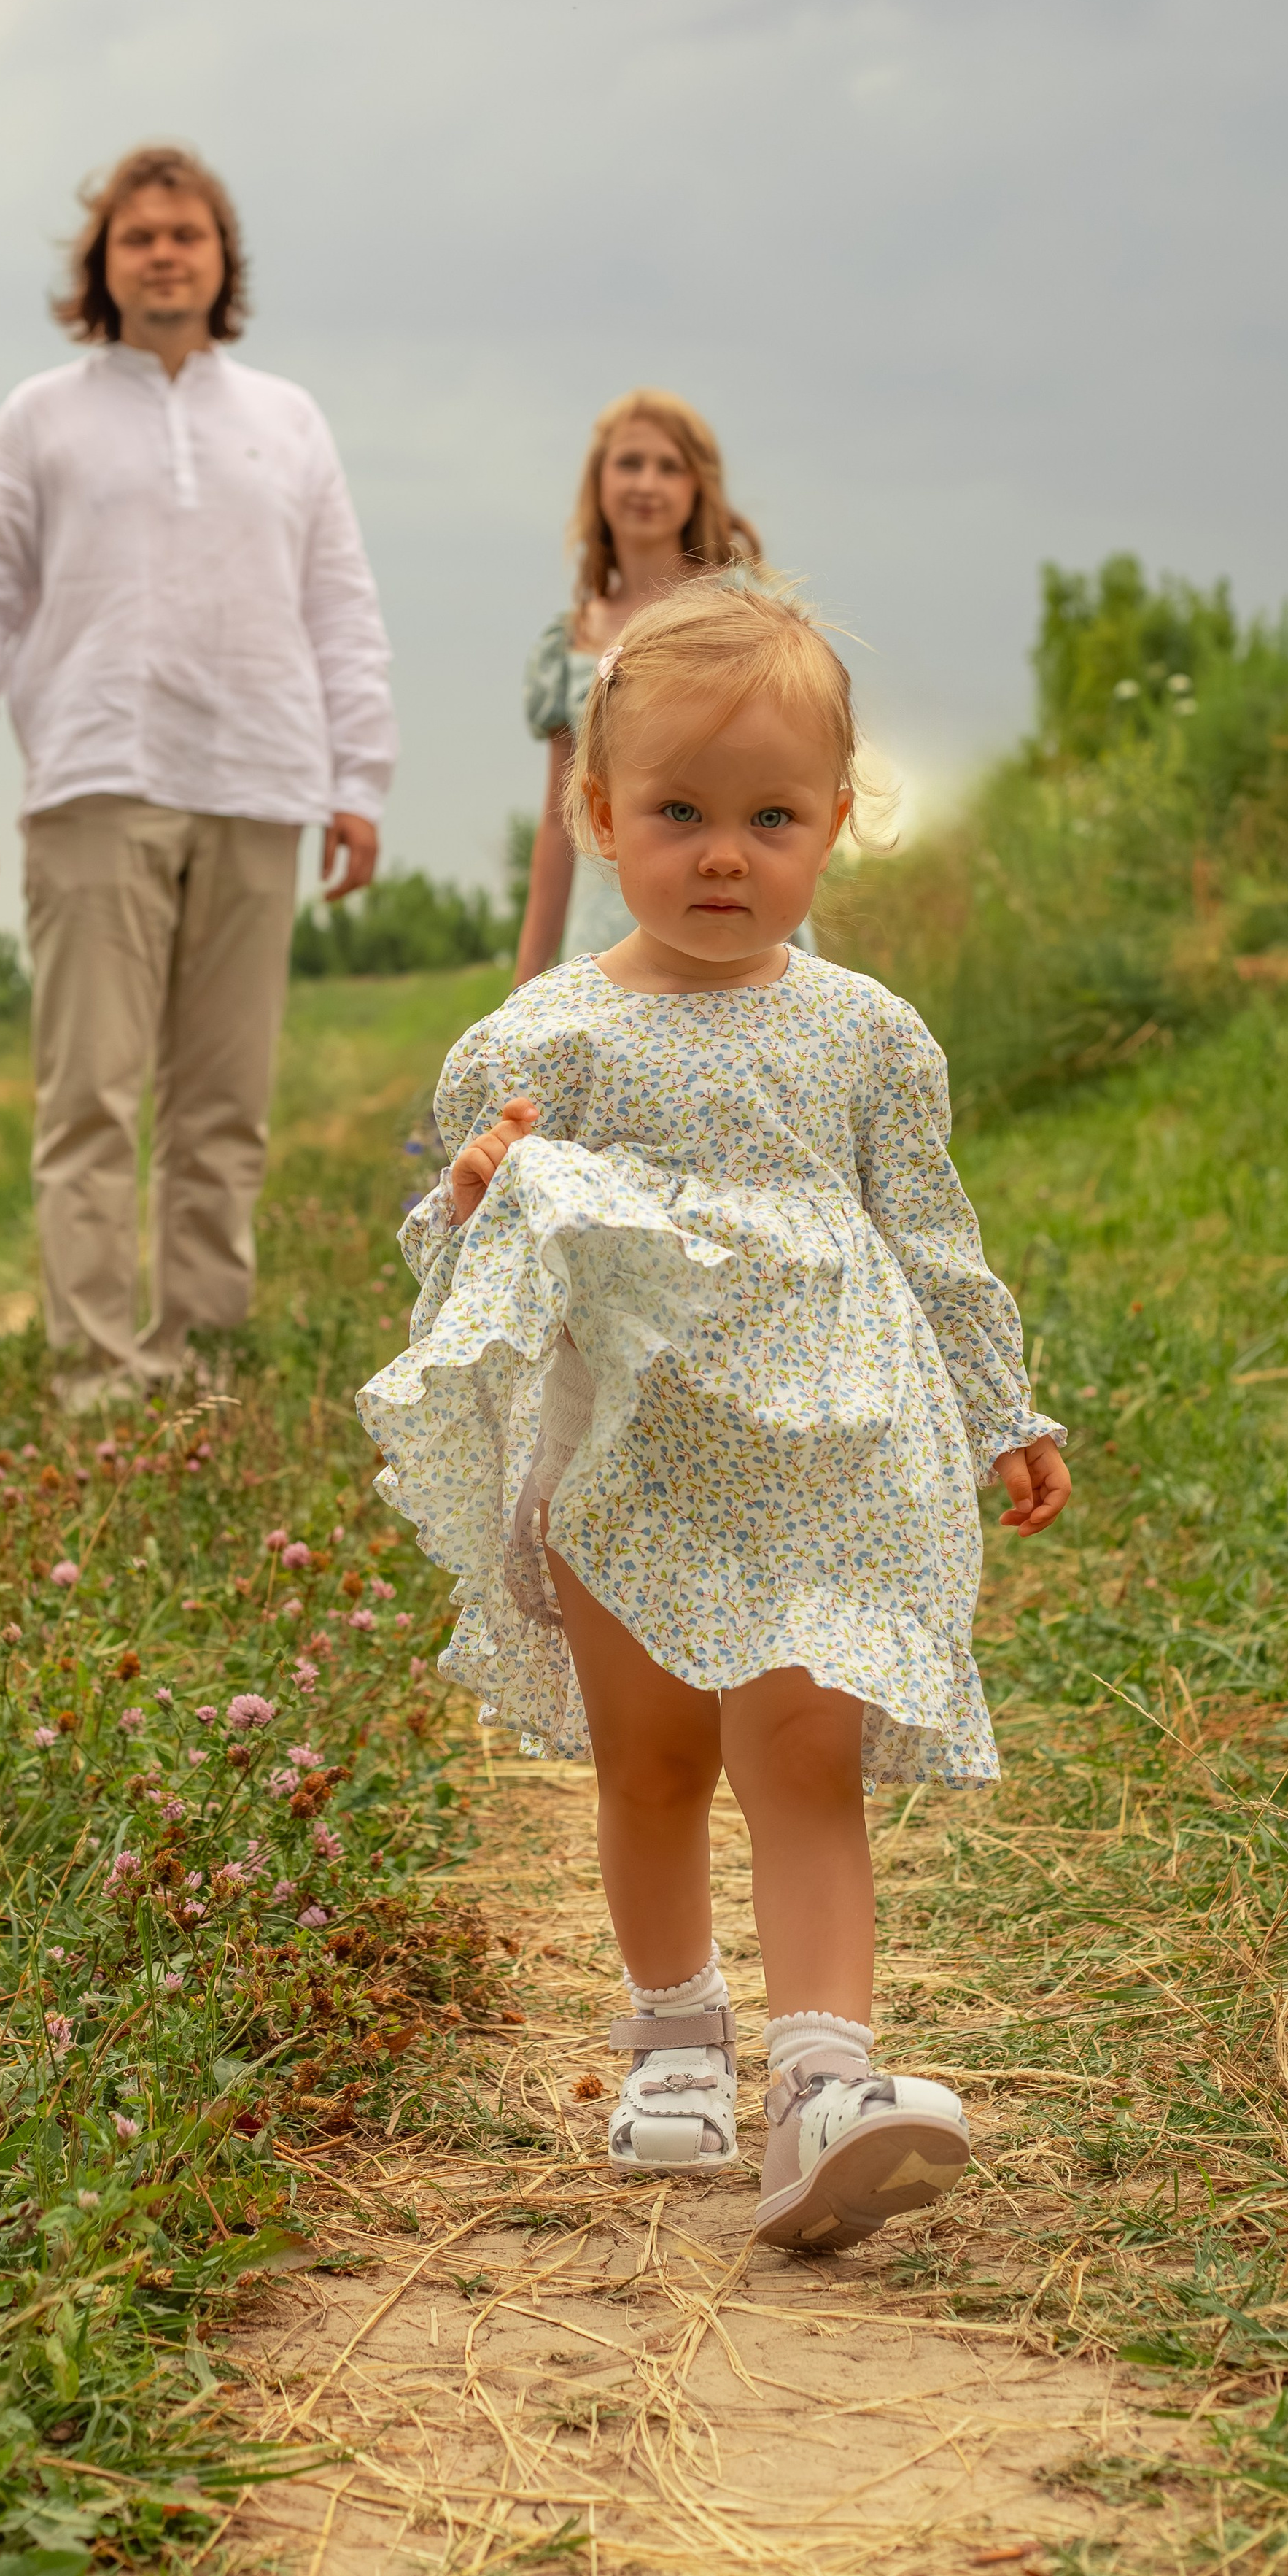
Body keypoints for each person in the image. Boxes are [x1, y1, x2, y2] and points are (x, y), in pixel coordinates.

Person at [360, 579, 1069, 2254]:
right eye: (677, 813)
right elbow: (474, 1233)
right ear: (598, 815)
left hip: (833, 1454)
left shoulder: (864, 1037)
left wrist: (995, 1407)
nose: (724, 853)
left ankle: (825, 2081)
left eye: (769, 816)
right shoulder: (552, 1034)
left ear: (835, 821)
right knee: (655, 1757)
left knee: (803, 1755)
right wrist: (478, 1186)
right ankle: (673, 2025)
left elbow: (932, 1241)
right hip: (629, 1465)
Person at [0, 142, 397, 1409]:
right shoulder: (43, 416)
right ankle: (95, 1366)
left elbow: (341, 606)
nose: (166, 253)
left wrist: (362, 778)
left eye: (188, 233)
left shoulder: (288, 421)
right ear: (104, 264)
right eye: (140, 237)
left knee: (225, 1100)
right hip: (95, 776)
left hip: (260, 779)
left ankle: (198, 1357)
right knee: (91, 1095)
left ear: (222, 259)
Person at [513, 389, 786, 983]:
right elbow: (561, 821)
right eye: (630, 463)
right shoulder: (570, 642)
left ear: (697, 487)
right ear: (598, 482)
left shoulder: (741, 608)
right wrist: (528, 977)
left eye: (670, 466)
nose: (647, 483)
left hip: (733, 906)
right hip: (608, 918)